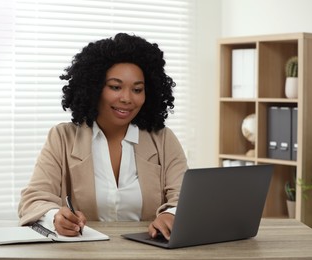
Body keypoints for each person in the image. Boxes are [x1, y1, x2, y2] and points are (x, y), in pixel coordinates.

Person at [18, 33, 188, 240]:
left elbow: (185, 199)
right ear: (94, 87)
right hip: (82, 253)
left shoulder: (163, 139)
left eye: (137, 89)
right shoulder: (62, 137)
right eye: (115, 87)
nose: (126, 98)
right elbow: (33, 200)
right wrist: (56, 217)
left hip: (148, 251)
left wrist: (170, 215)